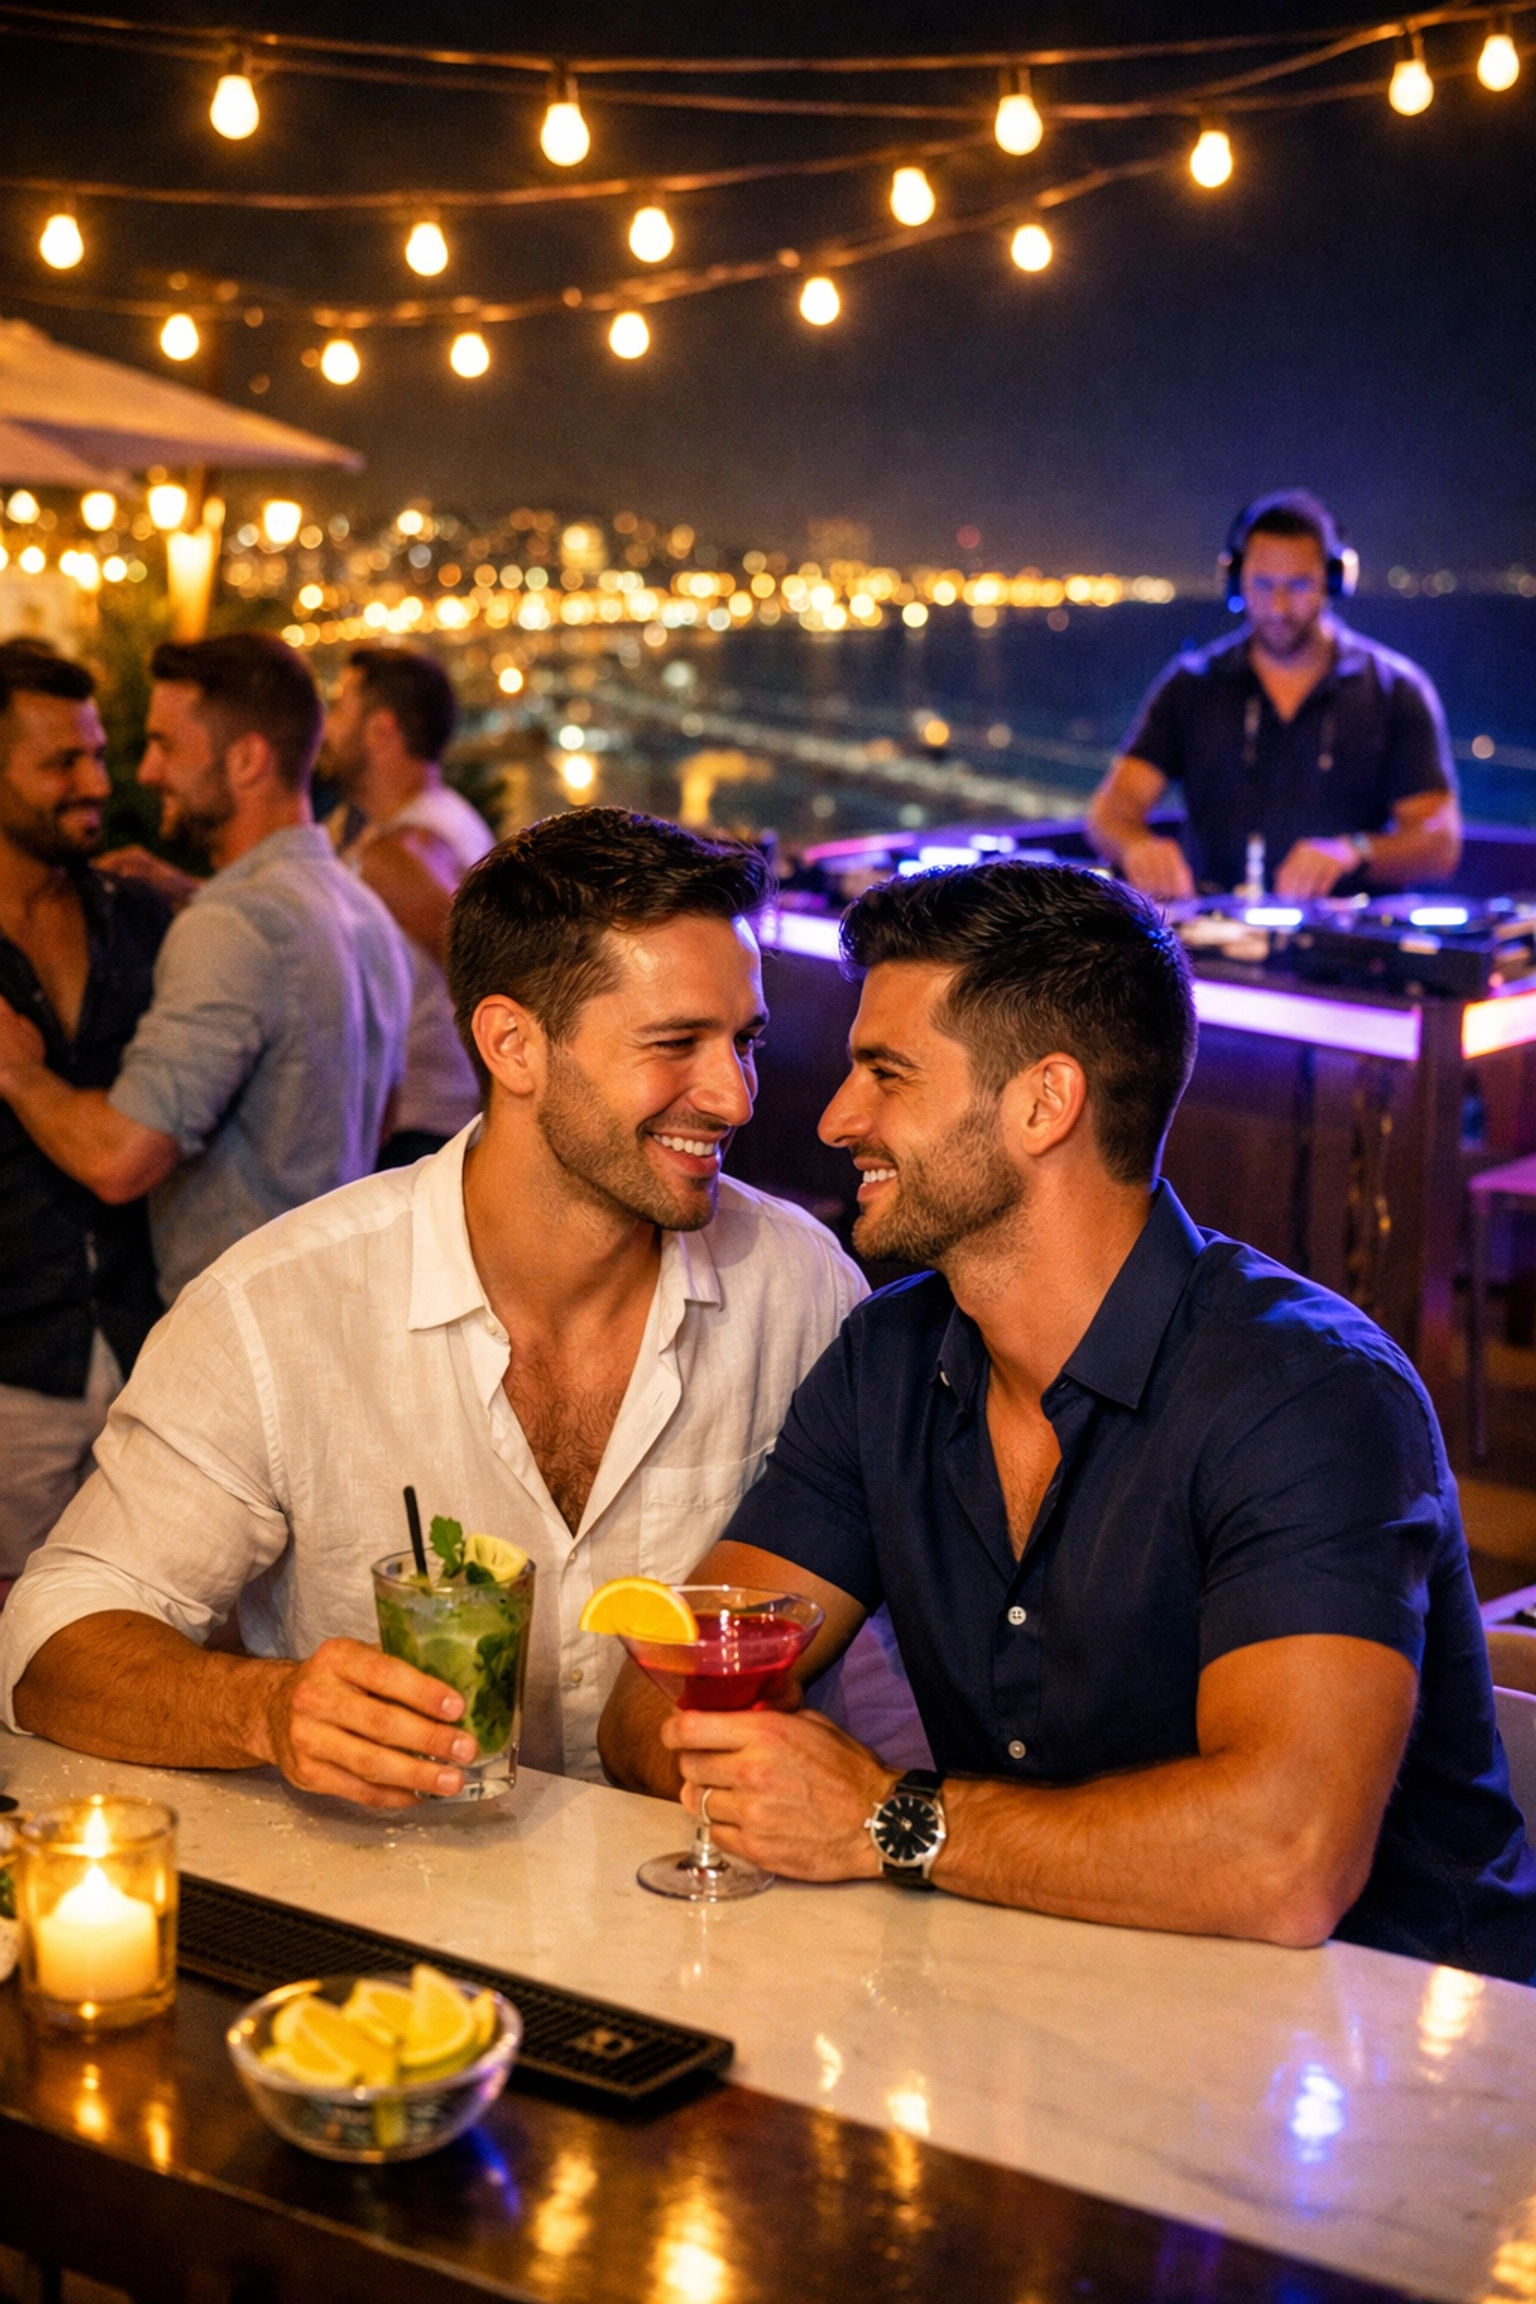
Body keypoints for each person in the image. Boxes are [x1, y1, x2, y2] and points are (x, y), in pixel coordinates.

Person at [600, 860, 1536, 1981]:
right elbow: (651, 1699)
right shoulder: (885, 1361)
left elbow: (1286, 1859)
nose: (837, 1118)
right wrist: (757, 1770)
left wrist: (883, 1818)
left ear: (1046, 1103)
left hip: (1396, 2040)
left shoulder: (1308, 1393)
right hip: (1057, 1999)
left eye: (886, 1073)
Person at [0, 809, 866, 1806]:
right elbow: (50, 1635)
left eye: (745, 1040)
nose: (735, 1097)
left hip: (708, 1890)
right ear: (512, 1044)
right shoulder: (277, 1306)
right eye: (676, 1042)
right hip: (391, 1886)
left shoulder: (802, 1285)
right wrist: (266, 1708)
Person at [0, 632, 412, 1306]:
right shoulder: (358, 910)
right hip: (332, 1305)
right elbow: (384, 1118)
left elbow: (118, 1160)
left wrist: (19, 1072)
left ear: (246, 759)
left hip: (238, 1327)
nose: (142, 773)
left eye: (165, 746)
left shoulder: (232, 925)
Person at [0, 643, 169, 1586]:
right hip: (13, 1369)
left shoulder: (135, 915)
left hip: (147, 1354)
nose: (96, 783)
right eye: (61, 762)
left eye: (98, 754)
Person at [1088, 491, 1462, 900]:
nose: (1278, 608)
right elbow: (1110, 813)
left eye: (1298, 585)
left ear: (1333, 580)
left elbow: (1439, 844)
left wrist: (1353, 850)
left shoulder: (1395, 689)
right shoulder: (1191, 684)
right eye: (1263, 585)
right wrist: (1138, 847)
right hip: (1213, 931)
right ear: (1236, 580)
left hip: (1348, 933)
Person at [321, 646, 494, 1166]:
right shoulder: (411, 827)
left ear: (381, 729)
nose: (326, 727)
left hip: (420, 1131)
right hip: (415, 1126)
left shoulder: (410, 848)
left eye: (339, 708)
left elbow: (490, 971)